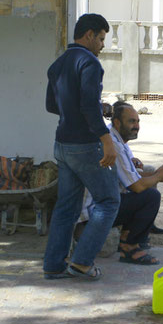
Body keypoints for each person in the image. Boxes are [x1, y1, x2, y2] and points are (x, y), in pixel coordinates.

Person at [43, 14, 119, 281]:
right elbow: (87, 105)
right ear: (88, 35)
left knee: (67, 206)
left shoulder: (58, 64)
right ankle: (82, 263)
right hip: (85, 145)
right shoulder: (90, 62)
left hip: (62, 143)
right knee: (109, 201)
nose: (102, 45)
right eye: (100, 38)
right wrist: (106, 139)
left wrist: (89, 110)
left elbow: (53, 106)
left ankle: (53, 265)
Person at [81, 102, 163, 265]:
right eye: (132, 122)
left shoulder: (115, 139)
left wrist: (157, 173)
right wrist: (158, 176)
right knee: (151, 196)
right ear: (117, 122)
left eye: (138, 122)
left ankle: (130, 239)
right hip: (95, 212)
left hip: (103, 205)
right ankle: (129, 248)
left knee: (146, 190)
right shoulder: (113, 144)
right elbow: (136, 185)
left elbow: (132, 176)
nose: (136, 126)